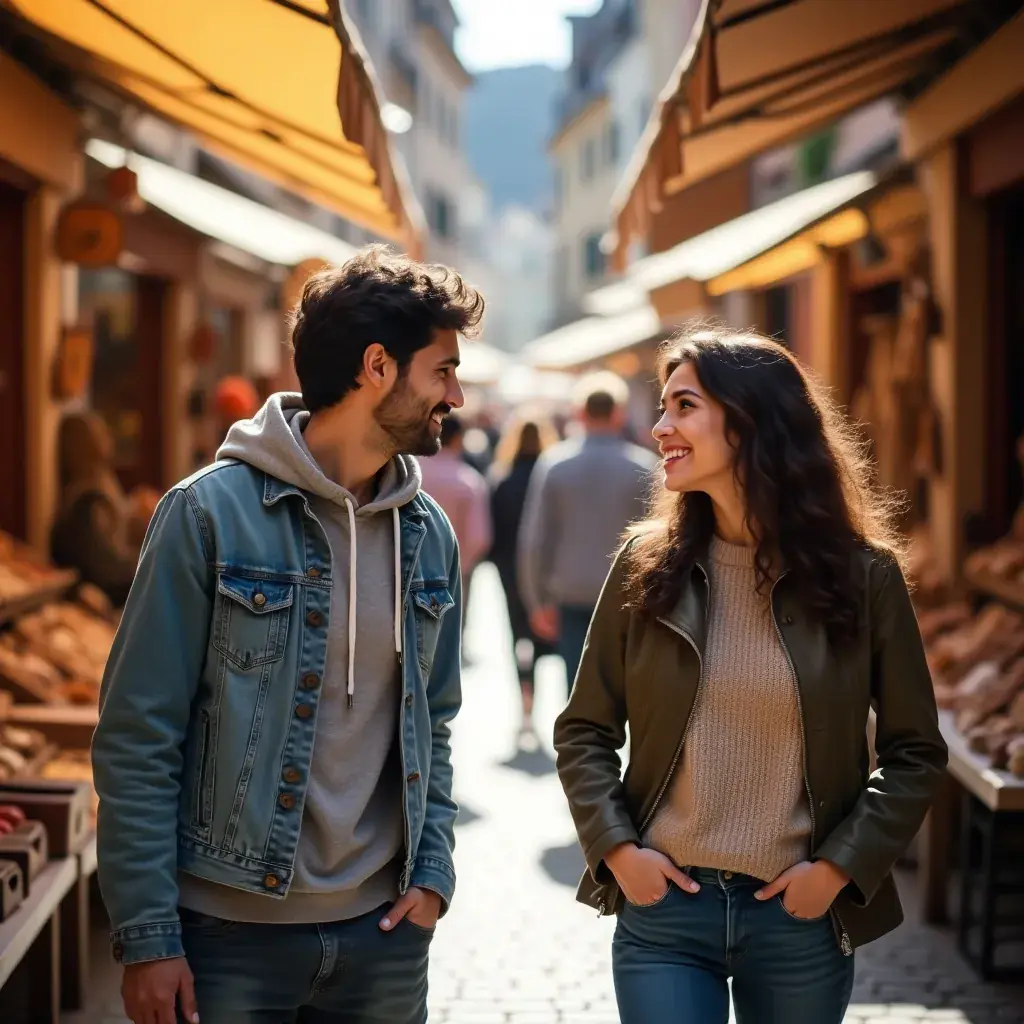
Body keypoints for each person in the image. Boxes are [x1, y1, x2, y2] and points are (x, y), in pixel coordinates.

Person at [92, 245, 484, 1024]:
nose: (458, 395)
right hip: (229, 938)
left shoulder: (427, 534)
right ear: (378, 366)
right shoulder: (206, 516)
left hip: (384, 937)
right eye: (441, 371)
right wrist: (149, 938)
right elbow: (138, 736)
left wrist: (431, 871)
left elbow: (434, 722)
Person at [553, 328, 948, 1024]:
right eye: (663, 406)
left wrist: (836, 871)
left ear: (751, 420)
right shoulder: (646, 566)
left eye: (684, 407)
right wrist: (617, 850)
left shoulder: (865, 578)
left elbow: (915, 753)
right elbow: (584, 729)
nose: (659, 427)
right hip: (665, 916)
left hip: (799, 920)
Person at [518, 371, 656, 690]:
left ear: (579, 413)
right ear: (619, 413)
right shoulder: (644, 467)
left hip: (570, 592)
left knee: (577, 687)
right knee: (629, 688)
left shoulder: (555, 464)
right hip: (628, 593)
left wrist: (536, 601)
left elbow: (534, 541)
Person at [488, 414, 559, 741]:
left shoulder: (502, 480)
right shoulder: (551, 478)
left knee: (518, 635)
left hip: (509, 570)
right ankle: (555, 698)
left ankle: (526, 699)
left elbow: (493, 534)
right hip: (548, 571)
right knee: (553, 635)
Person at [50, 411, 159, 606]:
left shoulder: (102, 480)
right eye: (98, 433)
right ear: (82, 444)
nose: (108, 437)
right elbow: (106, 569)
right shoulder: (87, 499)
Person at [418, 414, 492, 615]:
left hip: (408, 570)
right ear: (459, 439)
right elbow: (479, 537)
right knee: (449, 638)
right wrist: (460, 568)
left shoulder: (409, 475)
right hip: (452, 573)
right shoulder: (469, 480)